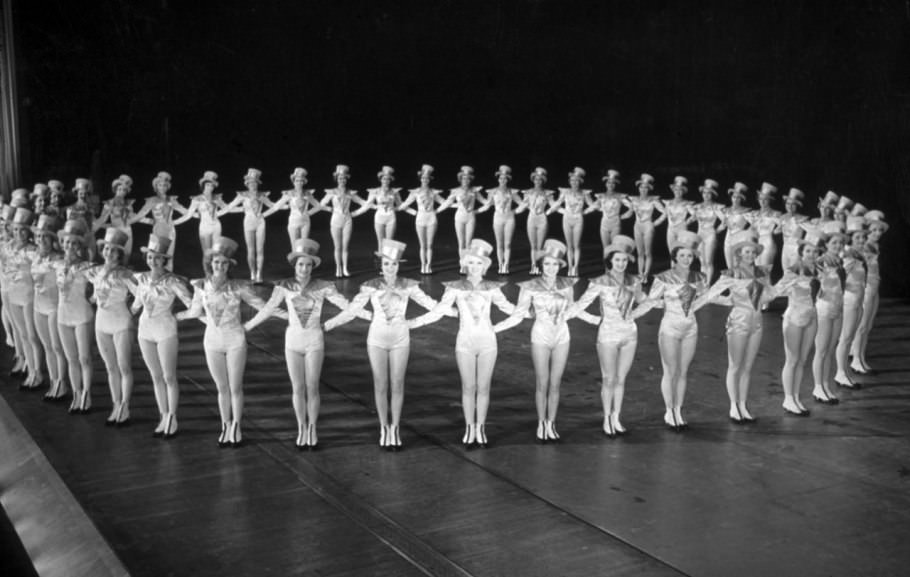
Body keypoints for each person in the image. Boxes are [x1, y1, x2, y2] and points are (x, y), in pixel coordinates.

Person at [244, 238, 368, 450]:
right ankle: (301, 426)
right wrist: (247, 326)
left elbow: (348, 307)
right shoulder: (284, 287)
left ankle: (312, 427)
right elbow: (267, 309)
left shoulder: (323, 287)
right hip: (292, 341)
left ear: (313, 267)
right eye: (301, 264)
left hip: (314, 341)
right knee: (297, 387)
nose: (304, 268)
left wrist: (330, 324)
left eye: (308, 265)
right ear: (295, 265)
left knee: (312, 387)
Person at [324, 239, 439, 450]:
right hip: (376, 339)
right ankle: (383, 427)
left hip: (400, 339)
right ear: (381, 266)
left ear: (398, 266)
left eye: (394, 264)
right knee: (380, 383)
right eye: (386, 264)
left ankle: (395, 427)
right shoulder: (369, 287)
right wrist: (329, 324)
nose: (390, 268)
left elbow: (431, 304)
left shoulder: (409, 286)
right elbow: (352, 310)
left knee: (397, 383)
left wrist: (452, 311)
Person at [410, 239, 514, 447]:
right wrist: (413, 323)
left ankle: (481, 427)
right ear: (465, 264)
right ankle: (469, 426)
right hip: (465, 342)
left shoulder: (492, 288)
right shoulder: (455, 288)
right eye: (471, 263)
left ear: (485, 266)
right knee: (468, 386)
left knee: (483, 387)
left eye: (479, 263)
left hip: (487, 342)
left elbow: (510, 308)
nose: (475, 267)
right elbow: (439, 310)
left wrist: (530, 315)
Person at [176, 238, 269, 447]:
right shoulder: (201, 287)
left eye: (224, 263)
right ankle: (225, 424)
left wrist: (249, 326)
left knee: (235, 387)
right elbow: (194, 311)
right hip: (212, 341)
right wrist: (177, 316)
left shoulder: (238, 287)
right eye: (216, 262)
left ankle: (236, 424)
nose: (220, 266)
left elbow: (263, 306)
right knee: (221, 387)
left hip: (235, 339)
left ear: (229, 266)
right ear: (210, 263)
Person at [494, 239, 579, 443]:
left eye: (555, 264)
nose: (551, 268)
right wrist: (494, 328)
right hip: (540, 335)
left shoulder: (567, 285)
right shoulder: (530, 287)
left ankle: (552, 422)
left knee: (556, 383)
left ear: (560, 266)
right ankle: (541, 422)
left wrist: (597, 320)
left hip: (562, 336)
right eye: (547, 264)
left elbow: (573, 310)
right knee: (543, 382)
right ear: (542, 265)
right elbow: (519, 313)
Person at [567, 235, 645, 436]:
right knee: (609, 378)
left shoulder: (634, 281)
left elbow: (644, 301)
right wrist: (594, 320)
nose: (621, 263)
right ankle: (606, 418)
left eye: (625, 260)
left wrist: (664, 302)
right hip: (608, 334)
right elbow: (579, 306)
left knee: (621, 379)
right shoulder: (599, 282)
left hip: (630, 334)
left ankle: (616, 417)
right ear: (610, 260)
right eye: (617, 260)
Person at [130, 235, 194, 439]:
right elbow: (138, 302)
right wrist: (127, 313)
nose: (153, 261)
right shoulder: (141, 278)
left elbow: (193, 305)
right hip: (145, 330)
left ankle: (173, 417)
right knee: (155, 376)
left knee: (168, 376)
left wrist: (179, 315)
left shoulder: (173, 281)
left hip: (165, 331)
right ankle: (163, 415)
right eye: (150, 257)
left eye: (158, 258)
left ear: (164, 260)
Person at [708, 230, 775, 423]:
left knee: (747, 367)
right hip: (738, 321)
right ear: (739, 254)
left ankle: (743, 405)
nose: (750, 255)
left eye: (753, 252)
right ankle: (733, 405)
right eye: (746, 252)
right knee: (735, 365)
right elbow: (712, 295)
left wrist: (790, 289)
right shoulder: (731, 274)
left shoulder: (762, 273)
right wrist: (729, 301)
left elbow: (769, 295)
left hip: (757, 321)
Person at [86, 228, 136, 426]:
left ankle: (125, 406)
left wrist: (131, 310)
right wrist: (92, 299)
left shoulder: (125, 274)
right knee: (110, 367)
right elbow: (96, 291)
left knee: (124, 366)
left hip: (120, 322)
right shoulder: (96, 271)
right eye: (106, 248)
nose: (109, 252)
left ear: (119, 254)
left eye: (113, 250)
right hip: (101, 322)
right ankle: (116, 403)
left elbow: (141, 293)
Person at [773, 232, 822, 416]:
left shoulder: (819, 271)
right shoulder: (794, 270)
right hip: (794, 318)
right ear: (802, 253)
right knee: (792, 360)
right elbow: (776, 290)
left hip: (811, 317)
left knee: (802, 361)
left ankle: (796, 397)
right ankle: (788, 398)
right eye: (808, 251)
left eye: (814, 251)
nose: (811, 254)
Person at [54, 219, 95, 414]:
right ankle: (76, 393)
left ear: (80, 246)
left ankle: (87, 394)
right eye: (67, 242)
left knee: (84, 358)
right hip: (63, 316)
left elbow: (102, 281)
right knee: (71, 358)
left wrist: (96, 299)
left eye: (74, 243)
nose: (70, 246)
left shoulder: (87, 267)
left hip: (82, 315)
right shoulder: (57, 264)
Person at [30, 214, 67, 400]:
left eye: (45, 236)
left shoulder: (59, 259)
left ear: (52, 239)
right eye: (38, 236)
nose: (41, 240)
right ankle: (53, 381)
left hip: (54, 307)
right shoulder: (35, 256)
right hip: (38, 306)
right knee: (46, 347)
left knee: (57, 347)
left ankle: (62, 383)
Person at [5, 207, 43, 389]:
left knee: (31, 336)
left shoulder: (34, 251)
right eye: (15, 229)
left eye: (22, 229)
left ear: (29, 231)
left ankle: (37, 373)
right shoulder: (7, 247)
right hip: (13, 294)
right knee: (21, 334)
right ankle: (29, 369)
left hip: (29, 296)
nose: (18, 233)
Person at [219, 168, 275, 283]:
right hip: (248, 222)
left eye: (254, 182)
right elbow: (229, 207)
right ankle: (252, 273)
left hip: (260, 222)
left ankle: (259, 272)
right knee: (250, 249)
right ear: (247, 184)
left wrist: (282, 206)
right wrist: (239, 209)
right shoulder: (242, 196)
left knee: (260, 249)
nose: (252, 185)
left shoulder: (262, 195)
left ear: (257, 184)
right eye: (250, 183)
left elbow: (273, 206)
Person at [811, 225, 846, 404]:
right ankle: (818, 387)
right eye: (834, 242)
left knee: (830, 350)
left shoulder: (840, 262)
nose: (838, 245)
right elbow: (813, 283)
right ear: (826, 245)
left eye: (840, 243)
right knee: (821, 350)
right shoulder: (820, 262)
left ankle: (825, 384)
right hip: (824, 309)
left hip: (837, 309)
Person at [833, 212, 868, 389]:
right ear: (850, 238)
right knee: (846, 338)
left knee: (849, 337)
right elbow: (839, 278)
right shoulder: (850, 256)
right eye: (858, 237)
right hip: (850, 301)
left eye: (863, 237)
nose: (862, 240)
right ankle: (840, 373)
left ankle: (844, 372)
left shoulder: (857, 255)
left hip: (858, 300)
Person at [850, 210, 887, 374]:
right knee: (862, 324)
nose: (877, 233)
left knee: (868, 325)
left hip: (874, 286)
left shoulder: (875, 245)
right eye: (873, 230)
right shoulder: (861, 248)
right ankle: (856, 359)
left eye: (879, 230)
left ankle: (861, 357)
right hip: (865, 287)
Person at [320, 164, 369, 278]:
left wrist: (354, 213)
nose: (342, 180)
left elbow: (365, 204)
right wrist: (330, 209)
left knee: (345, 246)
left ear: (347, 179)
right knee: (337, 246)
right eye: (340, 178)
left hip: (347, 220)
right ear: (336, 179)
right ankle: (338, 268)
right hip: (335, 220)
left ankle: (345, 268)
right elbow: (321, 204)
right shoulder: (332, 192)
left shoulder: (350, 193)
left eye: (344, 178)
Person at [131, 172, 188, 270]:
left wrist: (175, 222)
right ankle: (154, 277)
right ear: (156, 186)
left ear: (167, 187)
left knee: (169, 256)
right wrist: (149, 221)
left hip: (170, 231)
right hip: (158, 230)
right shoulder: (152, 200)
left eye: (165, 185)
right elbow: (140, 215)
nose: (162, 187)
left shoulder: (172, 200)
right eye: (160, 185)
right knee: (154, 254)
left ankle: (167, 279)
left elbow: (186, 212)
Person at [398, 164, 446, 275]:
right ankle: (423, 265)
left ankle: (429, 265)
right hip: (420, 218)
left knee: (429, 245)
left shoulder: (433, 192)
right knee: (422, 245)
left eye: (427, 178)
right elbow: (405, 204)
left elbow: (444, 202)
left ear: (429, 180)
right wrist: (412, 212)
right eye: (423, 178)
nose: (425, 180)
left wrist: (438, 210)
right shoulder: (415, 192)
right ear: (420, 179)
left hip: (431, 218)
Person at [438, 166, 485, 274]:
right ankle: (462, 265)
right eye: (464, 178)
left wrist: (478, 210)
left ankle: (467, 264)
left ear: (470, 180)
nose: (466, 180)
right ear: (460, 179)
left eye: (468, 178)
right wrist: (437, 211)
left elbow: (485, 202)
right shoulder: (456, 191)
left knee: (468, 242)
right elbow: (447, 203)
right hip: (459, 217)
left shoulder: (475, 191)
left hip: (470, 217)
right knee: (461, 242)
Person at [480, 165, 524, 275]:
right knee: (499, 243)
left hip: (509, 218)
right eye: (501, 178)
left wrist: (515, 211)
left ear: (507, 180)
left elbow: (522, 204)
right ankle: (500, 265)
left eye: (505, 178)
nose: (502, 180)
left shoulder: (511, 192)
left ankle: (506, 265)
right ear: (498, 179)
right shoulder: (493, 192)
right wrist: (475, 211)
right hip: (497, 218)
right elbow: (487, 205)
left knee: (507, 244)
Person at [261, 167, 321, 246]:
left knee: (304, 246)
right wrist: (263, 215)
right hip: (293, 222)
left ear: (303, 182)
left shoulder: (307, 194)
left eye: (301, 181)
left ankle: (303, 258)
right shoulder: (289, 194)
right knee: (295, 246)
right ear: (293, 182)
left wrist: (308, 213)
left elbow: (318, 206)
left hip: (305, 223)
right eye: (297, 181)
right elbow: (276, 207)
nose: (299, 183)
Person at [549, 167, 592, 278]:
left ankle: (575, 267)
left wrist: (584, 212)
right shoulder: (565, 192)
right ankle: (570, 267)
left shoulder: (584, 193)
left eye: (577, 181)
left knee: (576, 245)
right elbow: (558, 203)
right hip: (567, 219)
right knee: (569, 245)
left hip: (578, 219)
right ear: (570, 182)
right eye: (573, 180)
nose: (575, 183)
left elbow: (592, 205)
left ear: (580, 182)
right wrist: (549, 211)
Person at [172, 171, 227, 254]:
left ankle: (214, 267)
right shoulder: (197, 199)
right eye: (208, 185)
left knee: (216, 252)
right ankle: (207, 266)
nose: (210, 187)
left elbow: (227, 208)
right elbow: (188, 215)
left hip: (216, 226)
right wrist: (174, 222)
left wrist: (244, 208)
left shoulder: (217, 198)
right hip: (205, 227)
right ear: (203, 185)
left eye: (212, 185)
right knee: (207, 253)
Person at [624, 173, 666, 281]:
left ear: (649, 189)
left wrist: (656, 222)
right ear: (639, 188)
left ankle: (646, 274)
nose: (643, 189)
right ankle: (640, 273)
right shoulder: (634, 200)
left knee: (647, 252)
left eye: (646, 188)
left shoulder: (653, 200)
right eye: (641, 187)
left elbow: (665, 212)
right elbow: (630, 212)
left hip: (648, 226)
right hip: (637, 226)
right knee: (639, 253)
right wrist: (620, 216)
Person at [584, 169, 632, 261]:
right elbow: (594, 206)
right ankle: (606, 270)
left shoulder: (619, 196)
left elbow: (631, 206)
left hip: (615, 224)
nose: (611, 185)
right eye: (609, 183)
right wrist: (584, 212)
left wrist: (624, 216)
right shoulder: (601, 196)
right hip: (604, 224)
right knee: (606, 248)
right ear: (606, 184)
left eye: (613, 183)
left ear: (615, 185)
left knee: (614, 247)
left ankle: (614, 270)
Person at [360, 166, 405, 256]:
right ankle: (381, 265)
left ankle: (387, 267)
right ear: (381, 180)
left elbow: (401, 205)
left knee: (389, 242)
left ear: (390, 180)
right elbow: (367, 204)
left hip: (391, 217)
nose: (386, 181)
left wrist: (396, 209)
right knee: (380, 241)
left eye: (388, 179)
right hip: (379, 217)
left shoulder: (394, 191)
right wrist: (374, 207)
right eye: (384, 179)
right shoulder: (375, 191)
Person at [521, 167, 555, 275]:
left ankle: (539, 266)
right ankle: (533, 266)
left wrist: (548, 212)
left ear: (543, 181)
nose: (538, 181)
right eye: (536, 179)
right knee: (533, 246)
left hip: (542, 219)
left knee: (540, 246)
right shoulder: (528, 192)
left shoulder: (547, 193)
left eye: (540, 179)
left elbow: (553, 205)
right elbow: (523, 205)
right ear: (533, 180)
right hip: (531, 218)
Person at [93, 175, 136, 261]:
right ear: (115, 190)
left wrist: (152, 221)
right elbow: (102, 219)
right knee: (110, 255)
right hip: (114, 231)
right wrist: (93, 227)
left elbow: (135, 217)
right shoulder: (108, 203)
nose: (121, 192)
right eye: (119, 189)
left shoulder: (128, 204)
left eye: (124, 190)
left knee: (125, 255)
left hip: (127, 231)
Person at [690, 179, 723, 282]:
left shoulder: (716, 207)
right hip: (699, 235)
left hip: (710, 235)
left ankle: (708, 284)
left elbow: (725, 222)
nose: (706, 195)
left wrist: (716, 231)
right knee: (702, 262)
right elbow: (692, 218)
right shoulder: (697, 207)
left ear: (712, 194)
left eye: (709, 193)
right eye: (704, 193)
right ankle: (703, 282)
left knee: (709, 261)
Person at [747, 182, 782, 274]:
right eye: (760, 199)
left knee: (765, 271)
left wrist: (776, 231)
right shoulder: (754, 213)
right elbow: (751, 228)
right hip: (757, 243)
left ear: (770, 200)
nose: (762, 202)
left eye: (765, 199)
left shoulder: (775, 214)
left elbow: (784, 225)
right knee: (757, 271)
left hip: (768, 242)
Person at [718, 182, 751, 270]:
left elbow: (754, 225)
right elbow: (722, 225)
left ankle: (738, 283)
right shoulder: (726, 210)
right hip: (728, 239)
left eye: (738, 198)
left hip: (739, 240)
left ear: (741, 199)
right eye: (734, 197)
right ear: (731, 197)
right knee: (729, 266)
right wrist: (716, 231)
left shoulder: (746, 211)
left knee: (738, 266)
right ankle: (732, 283)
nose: (735, 199)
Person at [779, 188, 809, 271]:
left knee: (793, 273)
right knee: (785, 272)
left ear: (798, 206)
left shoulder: (802, 219)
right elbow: (778, 231)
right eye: (788, 204)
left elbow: (811, 232)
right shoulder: (783, 217)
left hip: (796, 249)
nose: (790, 206)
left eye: (793, 204)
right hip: (785, 248)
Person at [663, 176, 694, 253]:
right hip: (670, 229)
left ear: (683, 191)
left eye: (680, 190)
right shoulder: (668, 203)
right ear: (673, 190)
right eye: (676, 189)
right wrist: (654, 223)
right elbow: (664, 215)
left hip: (682, 229)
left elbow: (695, 215)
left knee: (681, 253)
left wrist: (687, 222)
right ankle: (672, 265)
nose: (678, 192)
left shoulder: (686, 204)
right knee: (672, 253)